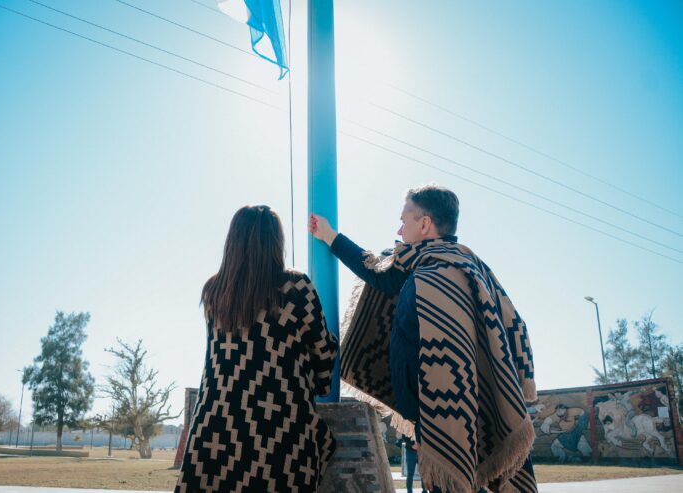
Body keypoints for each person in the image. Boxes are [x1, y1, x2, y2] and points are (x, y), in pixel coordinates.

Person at [309, 185, 537, 493]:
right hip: (431, 420)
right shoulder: (427, 265)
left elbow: (457, 354)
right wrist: (330, 236)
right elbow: (379, 273)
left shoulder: (446, 275)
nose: (399, 230)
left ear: (425, 224)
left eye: (404, 220)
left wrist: (434, 423)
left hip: (454, 419)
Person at [175, 205, 339, 493]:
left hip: (214, 430)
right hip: (279, 430)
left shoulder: (214, 291)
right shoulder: (296, 287)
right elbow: (323, 354)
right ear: (276, 242)